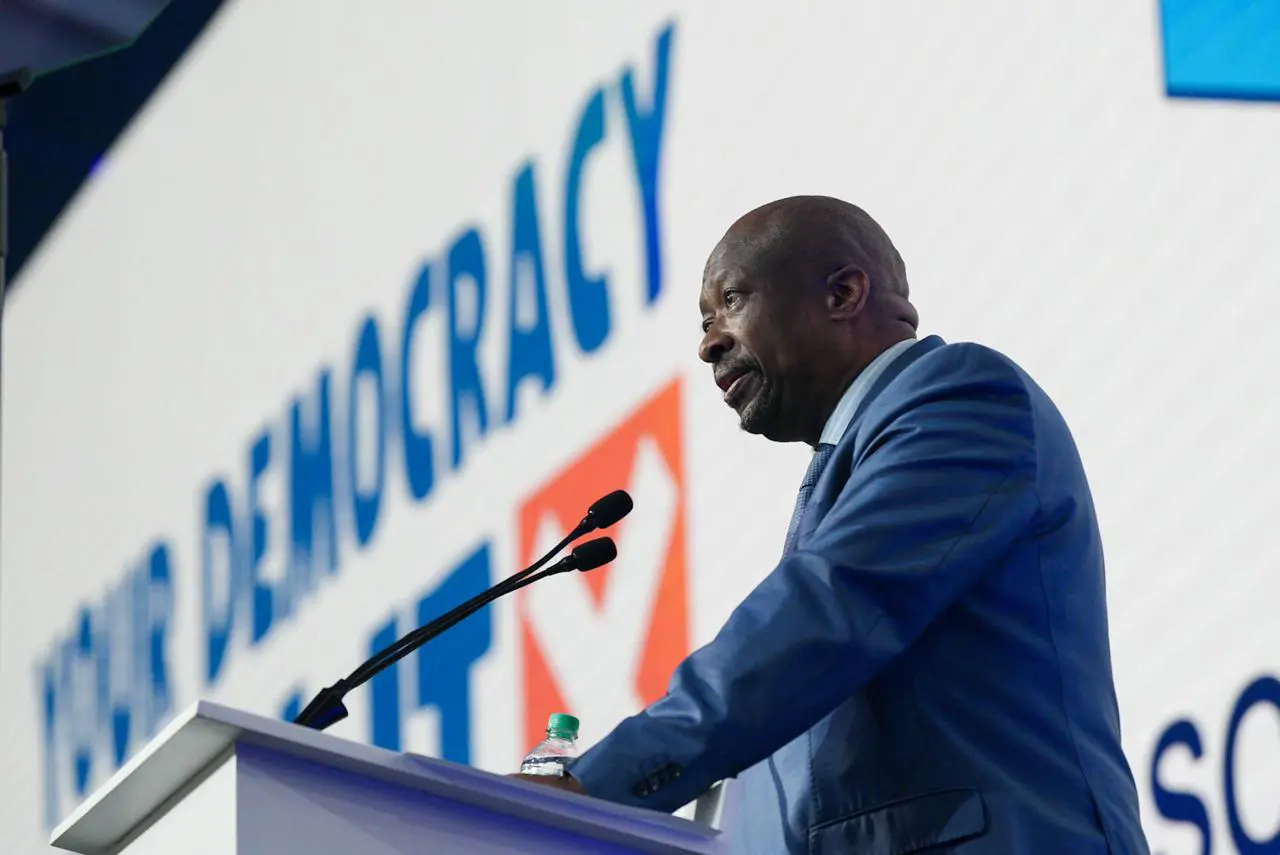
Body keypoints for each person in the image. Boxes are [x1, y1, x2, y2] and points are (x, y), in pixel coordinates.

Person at [516, 195, 1150, 854]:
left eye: (730, 302)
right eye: (703, 322)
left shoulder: (961, 397)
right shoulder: (846, 476)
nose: (708, 344)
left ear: (843, 292)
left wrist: (593, 788)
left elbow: (826, 613)